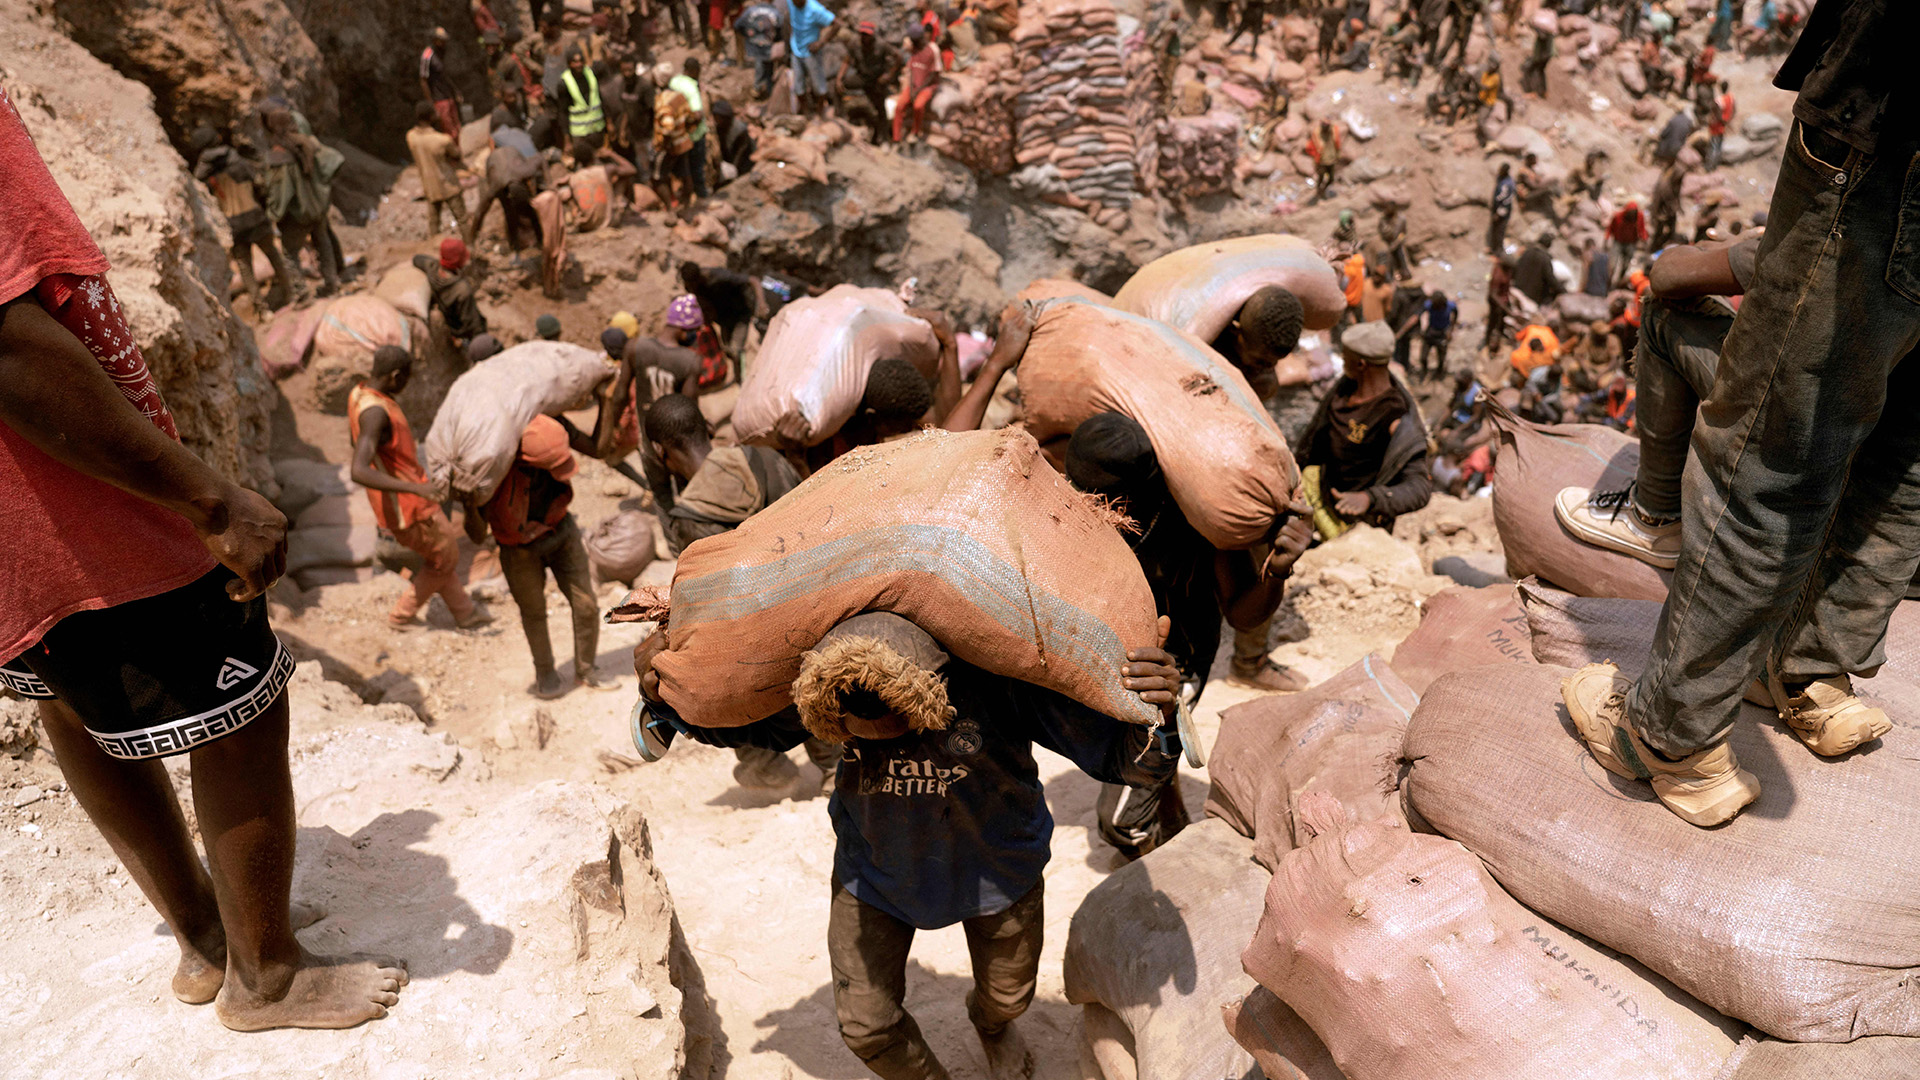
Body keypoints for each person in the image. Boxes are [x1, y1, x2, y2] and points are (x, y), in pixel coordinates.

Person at [0, 99, 407, 1030]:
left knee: (69, 701)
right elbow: (12, 346)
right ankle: (269, 978)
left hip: (12, 538)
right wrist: (208, 499)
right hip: (68, 506)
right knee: (241, 711)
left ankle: (205, 938)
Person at [633, 604, 1186, 1080]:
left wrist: (1158, 712)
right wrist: (664, 693)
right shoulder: (825, 689)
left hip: (996, 867)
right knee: (866, 1025)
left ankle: (990, 1026)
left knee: (1009, 996)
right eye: (857, 735)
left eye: (902, 725)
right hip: (875, 871)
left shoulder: (995, 676)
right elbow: (735, 720)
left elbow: (1125, 760)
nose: (878, 740)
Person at [1063, 413, 1313, 855]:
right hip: (1108, 658)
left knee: (1120, 822)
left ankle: (1160, 852)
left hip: (1177, 665)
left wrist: (1277, 570)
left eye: (1102, 498)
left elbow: (1243, 613)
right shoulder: (1073, 511)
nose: (1088, 505)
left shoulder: (1195, 520)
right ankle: (1170, 796)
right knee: (1143, 756)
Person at [1556, 236, 1759, 571]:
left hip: (1789, 409)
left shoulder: (1816, 235)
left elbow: (1665, 275)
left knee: (1659, 307)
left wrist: (1733, 244)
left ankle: (1655, 517)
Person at [461, 415, 615, 699]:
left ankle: (586, 670)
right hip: (518, 549)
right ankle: (545, 673)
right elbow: (475, 533)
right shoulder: (493, 473)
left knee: (586, 605)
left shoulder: (553, 427)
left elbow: (599, 448)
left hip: (561, 530)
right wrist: (470, 506)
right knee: (533, 613)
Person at [349, 347, 486, 630]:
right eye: (406, 379)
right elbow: (358, 469)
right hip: (409, 506)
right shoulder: (375, 413)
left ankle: (466, 613)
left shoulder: (359, 394)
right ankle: (402, 615)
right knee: (447, 556)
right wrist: (415, 488)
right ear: (396, 376)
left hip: (402, 500)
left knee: (440, 556)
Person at [1297, 320, 1432, 535]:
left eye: (1345, 357)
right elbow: (1315, 438)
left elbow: (1420, 489)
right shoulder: (1344, 389)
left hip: (1358, 526)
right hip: (1320, 497)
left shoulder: (1395, 417)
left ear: (1361, 364)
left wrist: (1370, 498)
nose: (1341, 360)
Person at [190, 124, 294, 311]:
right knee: (273, 255)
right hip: (255, 216)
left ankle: (261, 309)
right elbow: (259, 185)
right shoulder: (237, 161)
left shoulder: (202, 176)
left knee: (245, 267)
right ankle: (291, 293)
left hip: (233, 224)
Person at [258, 105, 341, 298]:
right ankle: (332, 283)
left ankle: (302, 293)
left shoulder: (279, 154)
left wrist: (273, 214)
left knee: (289, 254)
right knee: (323, 242)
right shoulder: (306, 143)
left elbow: (282, 192)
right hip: (318, 207)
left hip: (298, 214)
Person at [465, 140, 545, 251]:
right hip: (498, 173)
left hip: (513, 170)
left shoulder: (525, 171)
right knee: (511, 214)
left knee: (528, 211)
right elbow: (480, 212)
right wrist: (470, 241)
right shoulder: (495, 187)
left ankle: (539, 241)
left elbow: (540, 159)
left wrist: (550, 186)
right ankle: (516, 246)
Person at [407, 102, 471, 239]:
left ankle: (435, 250)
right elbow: (456, 154)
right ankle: (470, 249)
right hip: (448, 185)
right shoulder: (442, 140)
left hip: (430, 187)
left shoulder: (411, 137)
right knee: (462, 220)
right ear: (431, 117)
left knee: (434, 224)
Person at [410, 238, 488, 347]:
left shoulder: (432, 268)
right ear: (458, 260)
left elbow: (417, 259)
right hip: (460, 331)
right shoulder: (462, 289)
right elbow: (473, 324)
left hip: (448, 320)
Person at [653, 63, 699, 209]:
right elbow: (692, 118)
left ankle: (670, 209)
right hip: (683, 141)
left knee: (658, 177)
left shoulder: (662, 101)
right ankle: (686, 205)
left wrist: (665, 143)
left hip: (671, 145)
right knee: (685, 173)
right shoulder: (679, 96)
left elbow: (668, 126)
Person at [669, 57, 712, 199]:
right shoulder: (691, 87)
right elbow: (698, 114)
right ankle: (701, 196)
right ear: (695, 71)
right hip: (694, 137)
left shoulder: (674, 81)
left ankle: (685, 195)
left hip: (677, 135)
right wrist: (691, 128)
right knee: (697, 168)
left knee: (682, 168)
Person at [789, 0, 839, 117]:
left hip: (811, 53)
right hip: (796, 50)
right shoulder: (791, 3)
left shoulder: (815, 9)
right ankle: (806, 113)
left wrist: (821, 43)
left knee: (819, 86)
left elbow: (837, 24)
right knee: (798, 86)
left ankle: (820, 113)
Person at [893, 26, 943, 144]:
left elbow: (934, 74)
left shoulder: (933, 49)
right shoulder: (913, 50)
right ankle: (896, 138)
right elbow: (912, 70)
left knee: (918, 106)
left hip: (927, 86)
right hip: (914, 85)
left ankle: (915, 132)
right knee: (899, 106)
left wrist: (919, 90)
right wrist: (911, 89)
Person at [559, 47, 608, 159]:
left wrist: (608, 122)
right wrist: (567, 141)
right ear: (569, 64)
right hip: (579, 134)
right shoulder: (564, 83)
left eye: (581, 61)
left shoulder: (591, 74)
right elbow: (562, 113)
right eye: (575, 62)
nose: (579, 65)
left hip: (597, 129)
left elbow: (601, 99)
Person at [420, 26, 463, 139]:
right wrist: (431, 104)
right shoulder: (427, 56)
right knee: (449, 131)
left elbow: (444, 74)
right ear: (435, 40)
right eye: (441, 40)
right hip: (439, 99)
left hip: (448, 95)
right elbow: (423, 81)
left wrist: (456, 91)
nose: (444, 43)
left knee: (457, 127)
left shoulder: (442, 52)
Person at [735, 0, 781, 99]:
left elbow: (737, 25)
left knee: (760, 68)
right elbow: (781, 28)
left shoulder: (751, 11)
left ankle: (759, 91)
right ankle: (766, 92)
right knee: (768, 70)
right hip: (769, 46)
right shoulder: (776, 12)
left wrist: (747, 34)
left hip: (755, 46)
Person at [1512, 232, 1562, 305]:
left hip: (1517, 289)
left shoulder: (1527, 252)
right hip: (1530, 297)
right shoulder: (1545, 259)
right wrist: (1564, 291)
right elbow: (1551, 279)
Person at [1606, 201, 1648, 288]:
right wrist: (1606, 238)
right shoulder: (1618, 216)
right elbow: (1610, 228)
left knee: (1626, 264)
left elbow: (1642, 228)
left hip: (1631, 243)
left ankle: (1619, 283)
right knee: (1612, 265)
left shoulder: (1639, 217)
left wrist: (1644, 238)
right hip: (1618, 242)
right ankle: (1607, 284)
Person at [1418, 288, 1456, 380]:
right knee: (1423, 357)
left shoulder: (1450, 306)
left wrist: (1451, 329)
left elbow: (1456, 313)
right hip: (1430, 332)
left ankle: (1439, 373)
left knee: (1441, 357)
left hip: (1442, 333)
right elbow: (1418, 314)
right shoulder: (1429, 305)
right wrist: (1420, 330)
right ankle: (1424, 371)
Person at [1649, 160, 1685, 250]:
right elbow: (1660, 201)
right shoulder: (1665, 186)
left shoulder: (1673, 183)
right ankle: (1655, 248)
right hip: (1662, 212)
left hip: (1667, 211)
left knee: (1668, 231)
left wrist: (1679, 207)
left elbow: (1676, 195)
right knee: (1660, 232)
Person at [1484, 251, 1515, 351]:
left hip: (1503, 299)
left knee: (1501, 319)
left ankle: (1500, 334)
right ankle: (1488, 341)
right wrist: (1506, 309)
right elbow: (1493, 295)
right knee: (1493, 321)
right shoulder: (1498, 275)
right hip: (1496, 303)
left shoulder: (1507, 271)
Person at [1307, 119, 1340, 202]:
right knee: (1321, 178)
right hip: (1321, 161)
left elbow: (1337, 144)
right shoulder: (1317, 135)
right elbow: (1311, 148)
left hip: (1331, 160)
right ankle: (1319, 193)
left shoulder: (1333, 133)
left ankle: (1323, 191)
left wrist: (1336, 155)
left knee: (1331, 178)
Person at [1487, 162, 1515, 255]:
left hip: (1503, 210)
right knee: (1495, 229)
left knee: (1500, 231)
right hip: (1498, 208)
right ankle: (1493, 248)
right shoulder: (1501, 179)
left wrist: (1498, 213)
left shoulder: (1507, 184)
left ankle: (1498, 251)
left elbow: (1505, 199)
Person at [1706, 80, 1735, 171]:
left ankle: (1709, 166)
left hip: (1716, 127)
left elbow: (1717, 114)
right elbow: (1734, 110)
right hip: (1723, 126)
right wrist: (1728, 121)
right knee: (1719, 146)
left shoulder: (1718, 100)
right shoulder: (1730, 98)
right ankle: (1715, 164)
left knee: (1713, 146)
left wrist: (1723, 121)